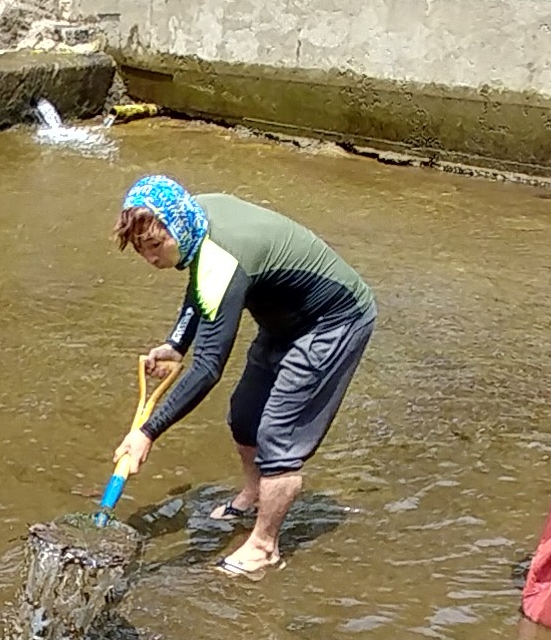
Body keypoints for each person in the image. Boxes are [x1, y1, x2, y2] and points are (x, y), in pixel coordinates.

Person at [109, 174, 378, 579]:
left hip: (334, 321)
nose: (149, 258)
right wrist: (177, 344)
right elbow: (200, 284)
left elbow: (208, 369)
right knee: (244, 415)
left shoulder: (222, 256)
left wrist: (147, 431)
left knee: (277, 437)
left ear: (176, 228)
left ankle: (264, 546)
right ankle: (254, 494)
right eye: (140, 249)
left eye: (154, 246)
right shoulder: (193, 215)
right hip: (284, 320)